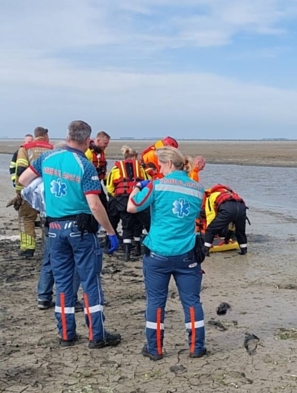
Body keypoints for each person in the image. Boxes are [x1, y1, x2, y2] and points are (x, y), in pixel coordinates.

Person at [19, 120, 121, 348]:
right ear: (87, 140)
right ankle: (97, 335)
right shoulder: (84, 164)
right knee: (90, 282)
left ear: (67, 136)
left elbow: (23, 180)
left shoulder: (47, 158)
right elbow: (95, 205)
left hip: (54, 229)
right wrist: (111, 232)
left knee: (63, 284)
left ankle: (66, 334)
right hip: (81, 230)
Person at [127, 146, 206, 360]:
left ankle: (155, 349)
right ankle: (197, 347)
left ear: (169, 163)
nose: (159, 169)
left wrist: (136, 188)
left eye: (160, 165)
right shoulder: (198, 189)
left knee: (155, 302)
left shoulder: (156, 185)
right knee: (191, 301)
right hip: (187, 253)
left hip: (158, 254)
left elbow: (132, 207)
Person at [9, 127, 53, 258]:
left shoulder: (25, 149)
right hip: (49, 190)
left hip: (30, 190)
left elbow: (20, 170)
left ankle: (28, 248)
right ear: (45, 136)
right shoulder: (52, 149)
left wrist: (19, 191)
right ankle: (50, 247)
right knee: (49, 219)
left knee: (26, 218)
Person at [105, 146, 149, 260]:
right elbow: (148, 183)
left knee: (126, 225)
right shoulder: (141, 169)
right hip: (137, 199)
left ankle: (126, 254)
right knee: (139, 224)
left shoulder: (115, 169)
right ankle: (138, 248)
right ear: (134, 157)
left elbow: (109, 187)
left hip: (122, 200)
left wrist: (116, 196)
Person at [202, 184, 249, 255]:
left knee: (211, 229)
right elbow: (232, 224)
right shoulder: (231, 193)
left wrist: (209, 232)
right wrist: (227, 239)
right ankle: (244, 250)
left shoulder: (210, 196)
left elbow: (210, 216)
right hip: (242, 208)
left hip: (227, 209)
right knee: (240, 231)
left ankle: (205, 250)